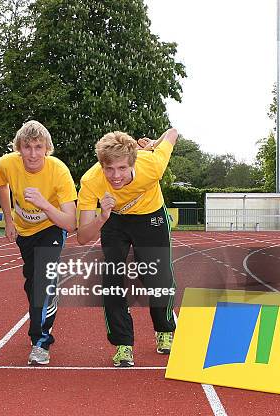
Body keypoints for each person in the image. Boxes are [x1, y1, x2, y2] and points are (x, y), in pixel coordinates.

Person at [76, 128, 178, 367]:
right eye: (109, 168)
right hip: (113, 219)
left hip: (151, 215)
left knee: (157, 277)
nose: (115, 176)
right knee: (112, 280)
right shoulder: (91, 181)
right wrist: (102, 217)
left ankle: (164, 329)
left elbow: (172, 132)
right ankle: (123, 344)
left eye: (122, 168)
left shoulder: (152, 164)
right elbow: (82, 237)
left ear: (133, 162)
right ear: (101, 165)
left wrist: (155, 141)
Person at [0, 120, 77, 366]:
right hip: (24, 232)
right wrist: (8, 219)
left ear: (47, 148)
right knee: (32, 283)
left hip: (51, 228)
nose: (32, 153)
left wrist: (44, 204)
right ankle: (44, 303)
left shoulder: (58, 171)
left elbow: (70, 223)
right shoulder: (7, 163)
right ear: (18, 147)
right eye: (27, 147)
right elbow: (1, 184)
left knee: (42, 283)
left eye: (38, 147)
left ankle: (41, 342)